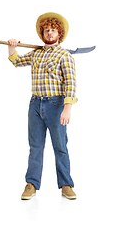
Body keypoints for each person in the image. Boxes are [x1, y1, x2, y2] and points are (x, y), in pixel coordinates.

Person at [8, 12, 77, 200]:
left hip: (56, 105)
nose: (49, 33)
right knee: (35, 146)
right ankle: (31, 184)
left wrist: (67, 108)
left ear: (59, 33)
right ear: (42, 33)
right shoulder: (36, 54)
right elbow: (17, 61)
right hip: (35, 105)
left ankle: (66, 185)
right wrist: (11, 47)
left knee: (60, 146)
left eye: (53, 30)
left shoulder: (64, 56)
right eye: (46, 30)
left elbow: (70, 84)